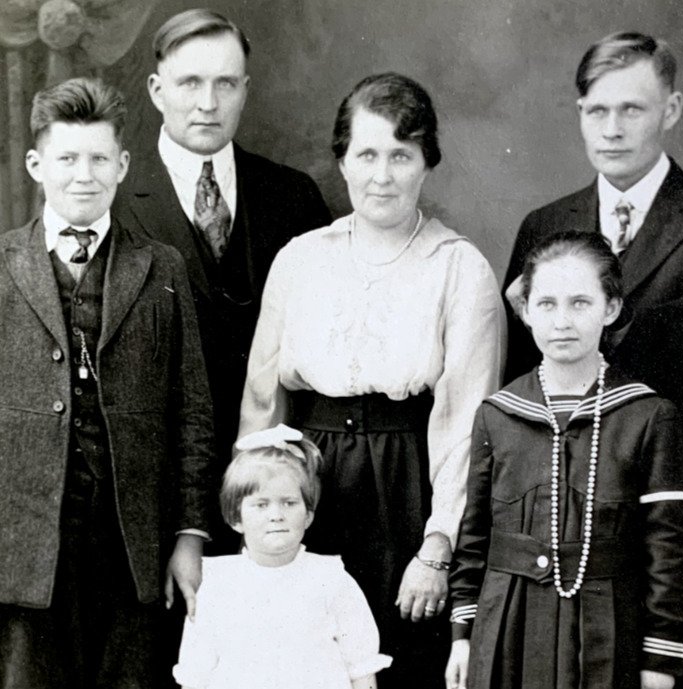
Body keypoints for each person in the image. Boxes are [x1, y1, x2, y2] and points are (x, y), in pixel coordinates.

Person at [239, 72, 505, 688]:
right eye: (366, 154)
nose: (381, 175)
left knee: (398, 662)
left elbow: (468, 427)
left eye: (400, 156)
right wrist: (260, 516)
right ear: (342, 161)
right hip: (308, 483)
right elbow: (261, 403)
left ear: (426, 164)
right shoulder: (300, 258)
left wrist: (438, 546)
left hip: (407, 486)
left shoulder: (460, 267)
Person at [0, 77, 216, 689]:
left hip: (132, 547)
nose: (83, 175)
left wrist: (190, 536)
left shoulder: (161, 268)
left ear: (122, 165)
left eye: (99, 159)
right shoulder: (1, 267)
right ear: (37, 164)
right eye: (67, 158)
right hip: (22, 551)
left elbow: (193, 413)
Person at [501, 33, 683, 683]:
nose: (611, 129)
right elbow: (518, 389)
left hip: (674, 522)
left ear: (671, 109)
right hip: (561, 532)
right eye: (596, 111)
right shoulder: (545, 226)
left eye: (632, 110)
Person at [113, 9, 331, 549]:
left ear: (245, 89)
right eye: (190, 83)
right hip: (153, 491)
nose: (208, 104)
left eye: (225, 84)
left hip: (274, 493)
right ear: (157, 90)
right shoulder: (113, 199)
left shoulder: (294, 196)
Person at [446, 231, 683, 689]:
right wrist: (464, 635)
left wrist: (660, 661)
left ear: (612, 308)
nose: (562, 321)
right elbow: (474, 536)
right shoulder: (498, 414)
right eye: (546, 304)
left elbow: (668, 551)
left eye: (580, 303)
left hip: (606, 627)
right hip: (507, 624)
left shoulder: (647, 415)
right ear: (525, 311)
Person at [173, 424, 392, 689]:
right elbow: (197, 671)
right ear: (235, 518)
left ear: (308, 515)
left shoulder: (330, 578)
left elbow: (361, 663)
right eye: (261, 505)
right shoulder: (219, 583)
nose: (276, 515)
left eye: (289, 503)